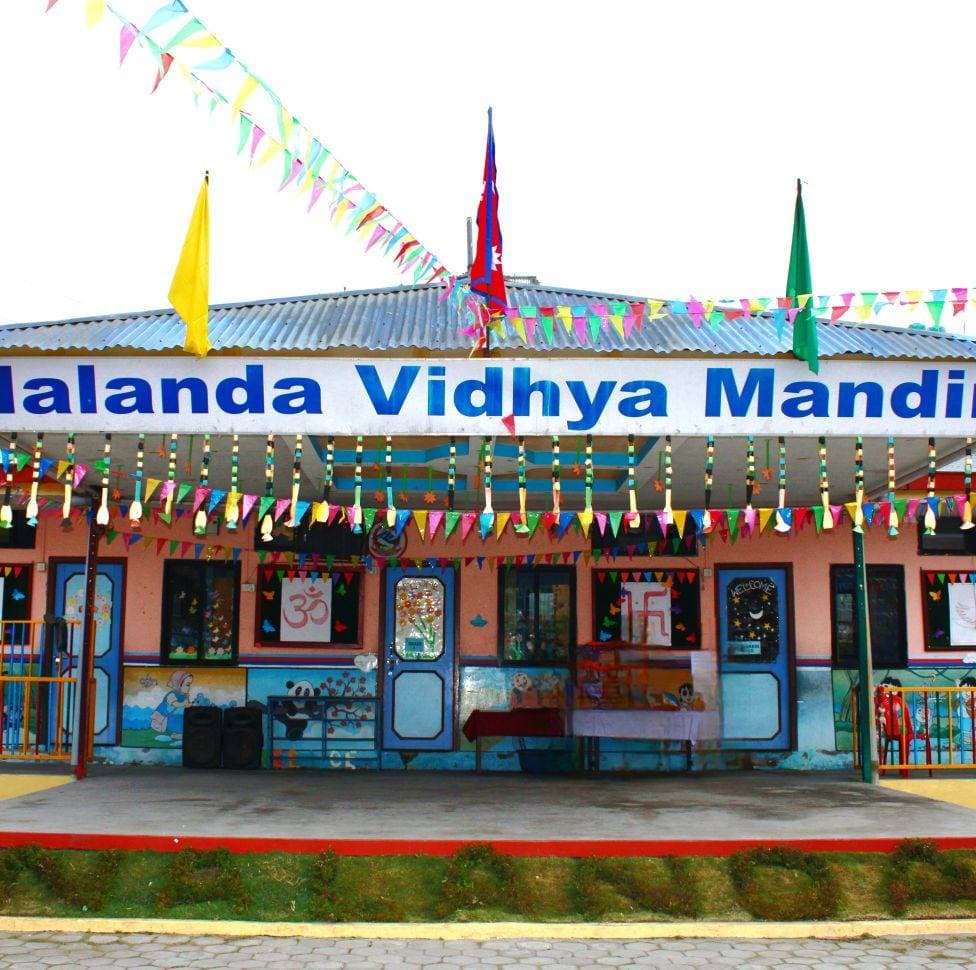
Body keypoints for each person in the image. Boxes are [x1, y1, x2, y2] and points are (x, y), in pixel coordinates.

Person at [150, 670, 194, 742]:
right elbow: (175, 704)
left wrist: (190, 705)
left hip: (180, 716)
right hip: (172, 718)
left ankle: (178, 734)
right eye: (187, 684)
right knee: (180, 723)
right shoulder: (172, 694)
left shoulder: (184, 696)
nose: (189, 687)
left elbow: (185, 707)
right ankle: (177, 735)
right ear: (179, 684)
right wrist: (183, 703)